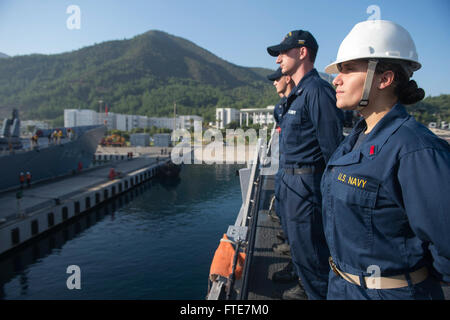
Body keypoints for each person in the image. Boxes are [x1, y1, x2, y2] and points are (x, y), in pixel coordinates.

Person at [322, 20, 450, 300]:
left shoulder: (416, 149)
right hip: (342, 287)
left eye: (348, 69)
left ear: (384, 79)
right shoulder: (356, 138)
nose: (336, 79)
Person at [267, 30, 344, 299]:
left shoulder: (318, 91)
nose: (278, 60)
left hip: (308, 188)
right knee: (300, 252)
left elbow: (333, 151)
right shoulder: (297, 95)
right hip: (291, 184)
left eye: (283, 52)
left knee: (314, 258)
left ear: (302, 53)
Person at [266, 67, 298, 284]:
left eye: (277, 78)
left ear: (287, 78)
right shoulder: (282, 107)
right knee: (284, 212)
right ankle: (290, 245)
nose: (274, 82)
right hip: (285, 167)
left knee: (303, 231)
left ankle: (303, 280)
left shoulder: (305, 100)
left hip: (301, 173)